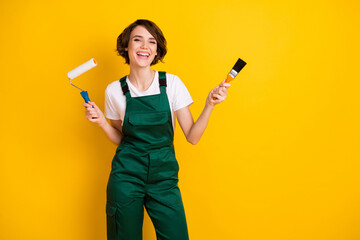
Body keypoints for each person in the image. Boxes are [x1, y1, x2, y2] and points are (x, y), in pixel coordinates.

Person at [83, 19, 230, 240]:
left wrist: (210, 104)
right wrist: (102, 121)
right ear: (126, 46)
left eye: (152, 42)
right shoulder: (114, 90)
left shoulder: (172, 84)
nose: (145, 46)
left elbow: (192, 136)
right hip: (126, 177)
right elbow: (122, 138)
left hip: (164, 177)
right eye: (137, 40)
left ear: (156, 50)